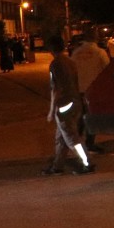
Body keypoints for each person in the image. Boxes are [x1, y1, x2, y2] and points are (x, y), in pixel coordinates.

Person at [41, 35, 94, 176]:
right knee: (61, 138)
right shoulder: (70, 62)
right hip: (75, 102)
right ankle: (57, 166)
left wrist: (51, 110)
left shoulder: (55, 64)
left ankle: (87, 163)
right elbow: (76, 83)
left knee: (71, 138)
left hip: (64, 105)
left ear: (51, 48)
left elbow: (56, 89)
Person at [70, 30, 110, 154]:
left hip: (78, 89)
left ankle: (75, 143)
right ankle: (90, 143)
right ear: (95, 38)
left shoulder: (76, 53)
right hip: (93, 90)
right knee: (92, 116)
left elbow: (70, 69)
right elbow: (107, 69)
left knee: (80, 117)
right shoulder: (99, 53)